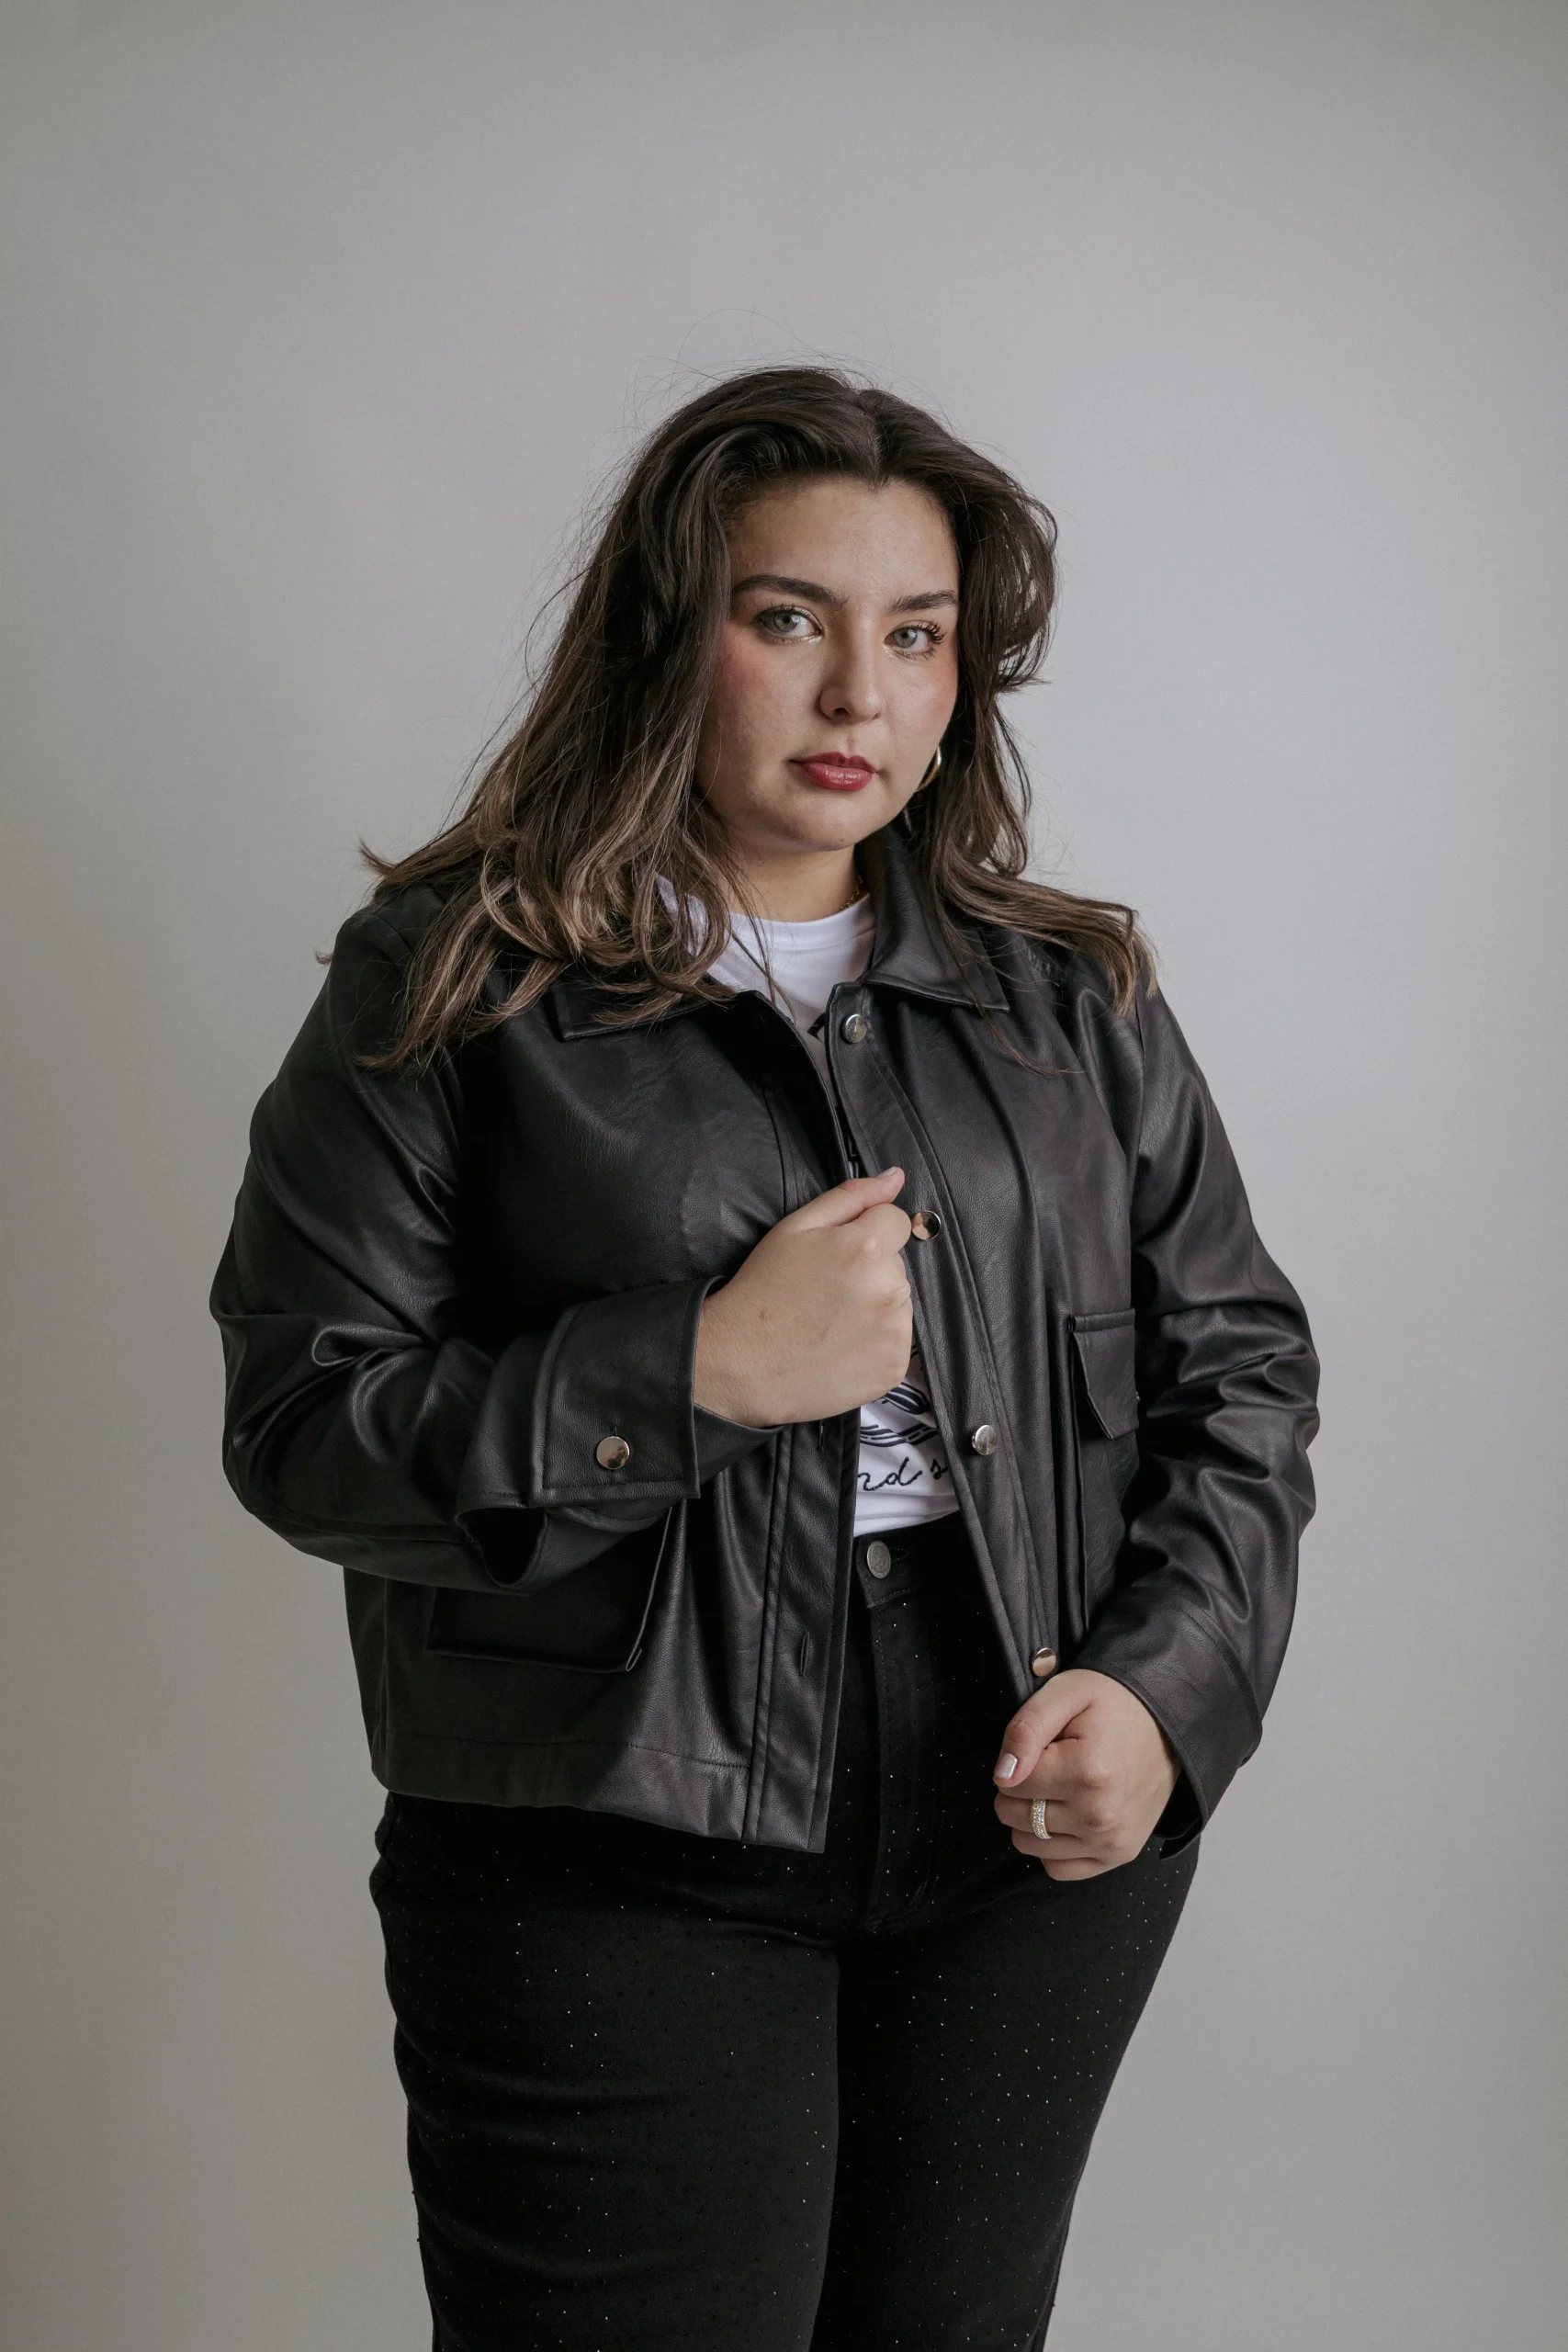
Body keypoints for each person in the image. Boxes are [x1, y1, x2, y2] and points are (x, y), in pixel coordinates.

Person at [212, 366, 1318, 2350]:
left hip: (1015, 1820)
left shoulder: (1071, 999)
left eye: (918, 636)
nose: (858, 694)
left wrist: (1166, 1692)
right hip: (610, 1825)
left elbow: (1237, 1373)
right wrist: (695, 1373)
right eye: (788, 616)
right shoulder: (458, 978)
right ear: (669, 631)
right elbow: (305, 1425)